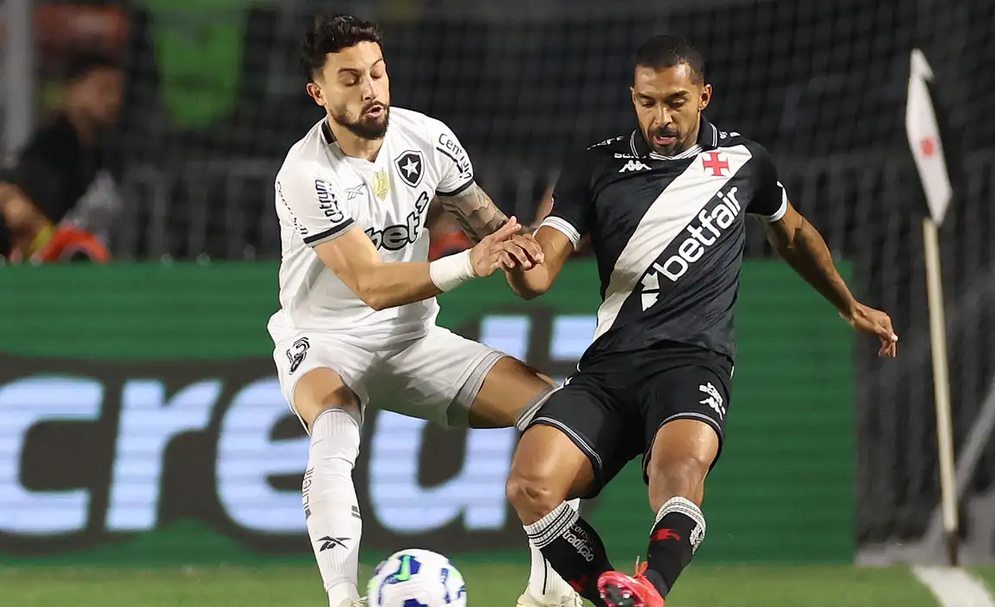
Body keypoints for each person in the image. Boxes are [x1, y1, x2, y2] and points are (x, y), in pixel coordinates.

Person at [503, 36, 899, 607]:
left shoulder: (744, 162)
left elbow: (793, 235)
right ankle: (614, 594)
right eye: (647, 102)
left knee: (679, 469)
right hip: (609, 369)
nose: (661, 118)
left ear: (704, 96)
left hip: (692, 362)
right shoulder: (595, 166)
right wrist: (520, 264)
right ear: (632, 98)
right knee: (529, 484)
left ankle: (651, 587)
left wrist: (848, 303)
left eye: (676, 102)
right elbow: (539, 275)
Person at [269, 14, 580, 607]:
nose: (370, 89)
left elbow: (502, 241)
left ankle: (550, 591)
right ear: (318, 93)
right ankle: (344, 597)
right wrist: (471, 264)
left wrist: (550, 236)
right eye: (350, 79)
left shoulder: (429, 140)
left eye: (378, 73)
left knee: (562, 413)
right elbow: (372, 284)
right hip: (326, 340)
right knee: (333, 429)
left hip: (412, 339)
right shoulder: (306, 173)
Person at [0, 52, 124, 262]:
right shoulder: (48, 152)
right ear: (73, 90)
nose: (114, 100)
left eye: (117, 92)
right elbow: (22, 217)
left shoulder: (109, 152)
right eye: (103, 90)